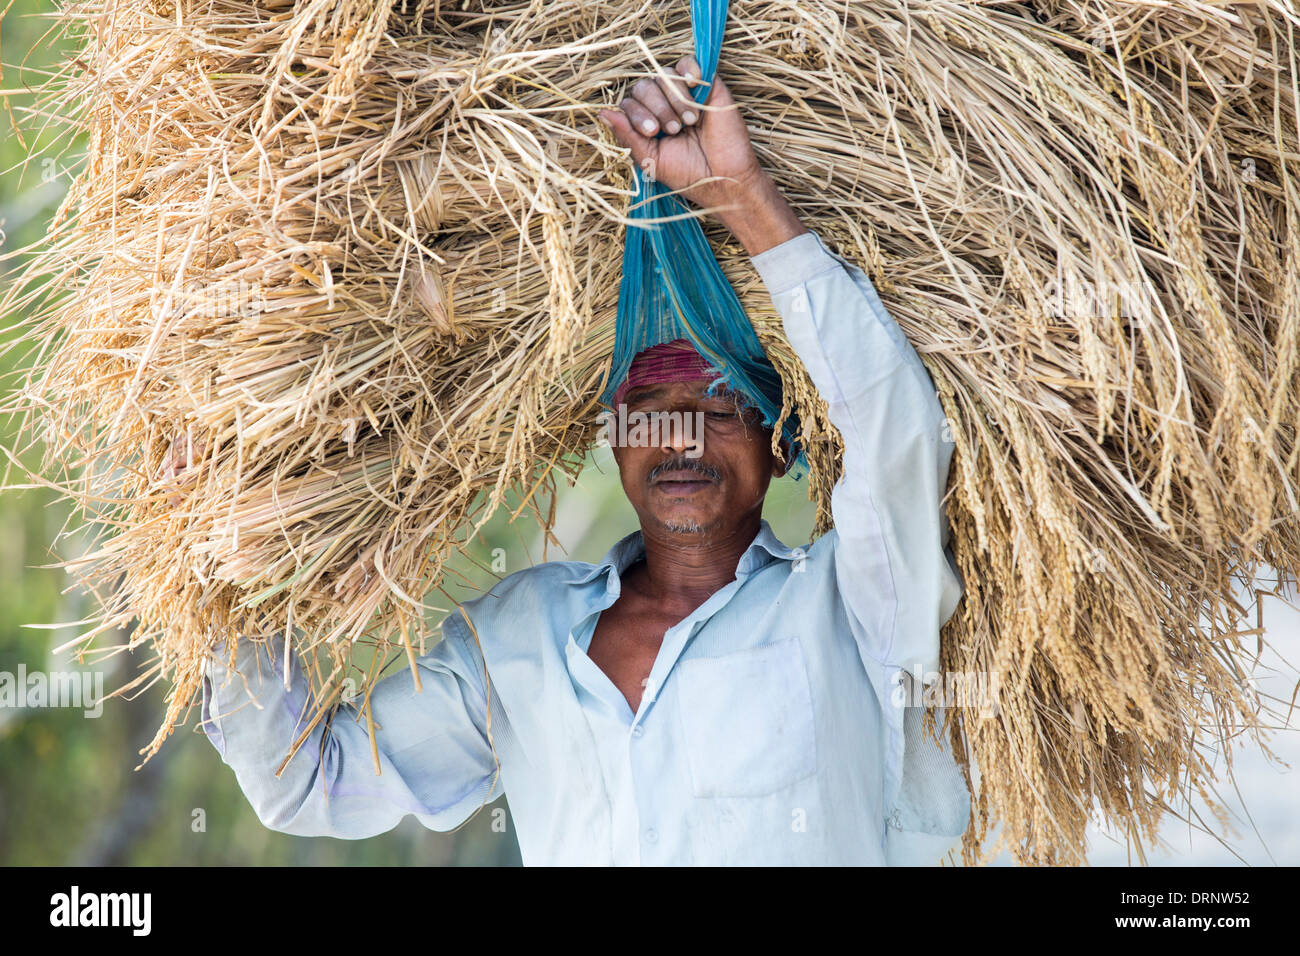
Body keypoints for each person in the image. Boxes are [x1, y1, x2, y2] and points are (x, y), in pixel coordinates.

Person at [200, 54, 970, 865]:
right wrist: (223, 556)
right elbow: (309, 782)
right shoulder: (523, 634)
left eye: (719, 411)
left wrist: (745, 198)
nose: (680, 439)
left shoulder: (851, 611)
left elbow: (895, 445)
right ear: (615, 440)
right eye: (652, 413)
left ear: (780, 450)